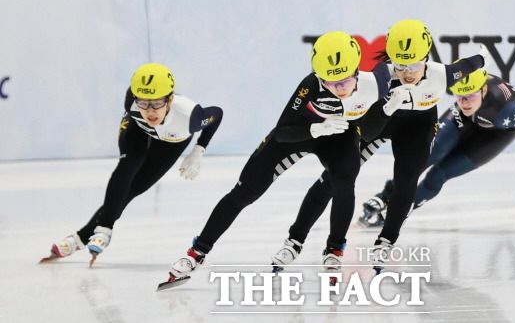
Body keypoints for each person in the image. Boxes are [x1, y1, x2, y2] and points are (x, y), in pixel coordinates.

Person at [159, 31, 390, 290]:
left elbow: (391, 85)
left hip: (340, 134)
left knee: (345, 184)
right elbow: (282, 132)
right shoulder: (311, 85)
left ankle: (335, 250)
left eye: (344, 82)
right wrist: (316, 129)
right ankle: (196, 252)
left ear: (357, 71)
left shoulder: (378, 81)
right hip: (300, 134)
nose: (338, 89)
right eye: (329, 83)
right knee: (244, 193)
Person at [269, 19, 489, 274]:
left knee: (406, 182)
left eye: (415, 64)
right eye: (401, 65)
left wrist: (482, 55)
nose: (407, 73)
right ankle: (295, 240)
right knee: (332, 179)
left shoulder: (444, 74)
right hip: (380, 122)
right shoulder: (381, 75)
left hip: (417, 129)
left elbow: (471, 64)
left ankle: (385, 241)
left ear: (427, 58)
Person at [40, 63, 223, 265]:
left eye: (156, 104)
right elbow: (141, 111)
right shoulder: (132, 104)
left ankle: (80, 238)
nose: (149, 111)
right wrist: (105, 224)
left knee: (135, 188)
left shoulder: (191, 116)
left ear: (170, 99)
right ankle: (104, 230)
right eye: (143, 103)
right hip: (137, 130)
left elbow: (218, 114)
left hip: (173, 141)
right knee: (128, 165)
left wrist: (198, 150)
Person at [360, 69, 515, 235]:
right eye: (459, 96)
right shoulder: (466, 98)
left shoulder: (505, 114)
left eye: (469, 97)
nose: (464, 102)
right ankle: (385, 196)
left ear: (484, 90)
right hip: (468, 119)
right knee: (429, 153)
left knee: (437, 175)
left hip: (496, 134)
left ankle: (398, 212)